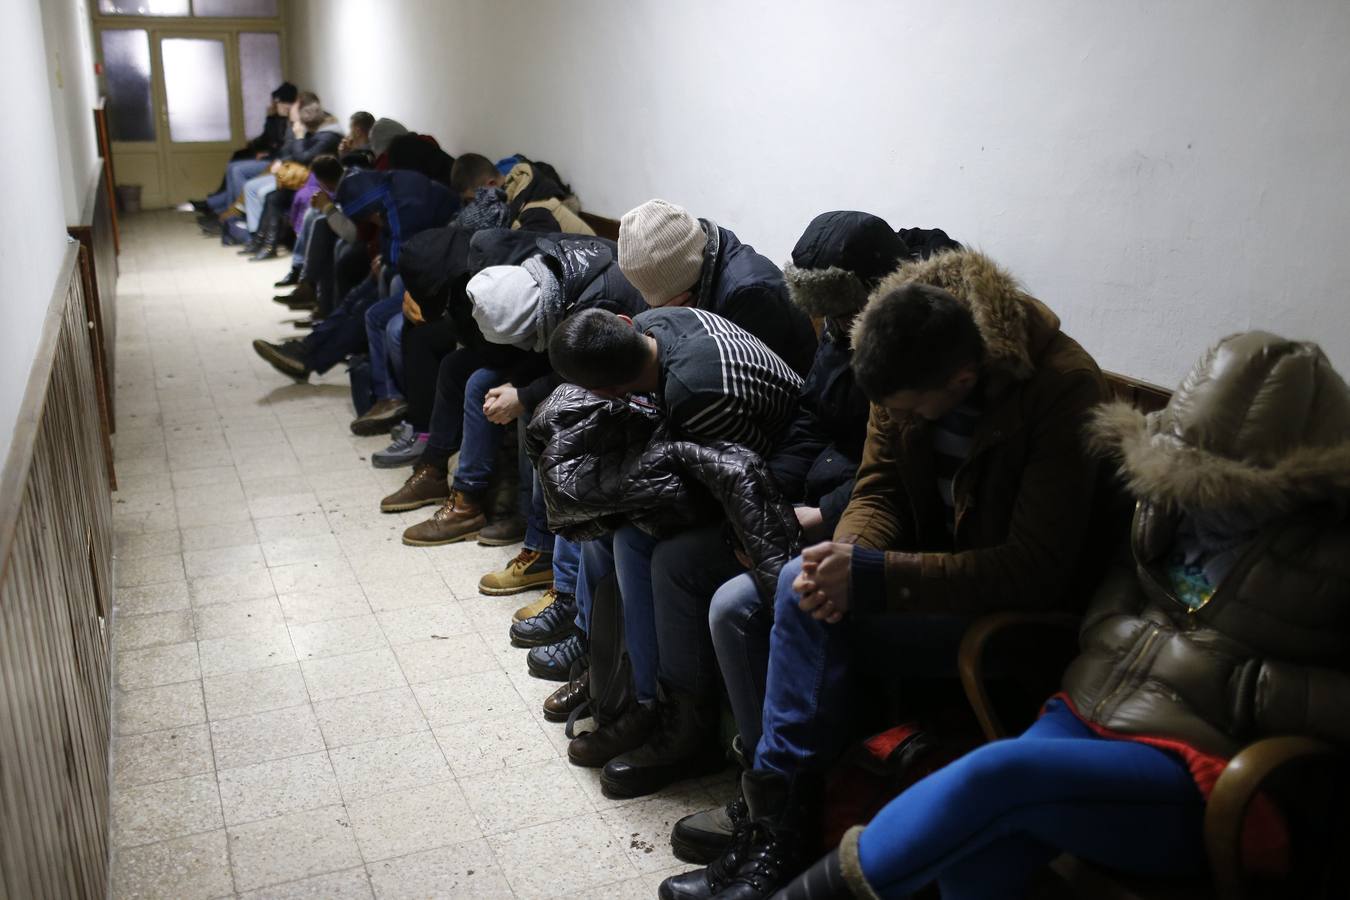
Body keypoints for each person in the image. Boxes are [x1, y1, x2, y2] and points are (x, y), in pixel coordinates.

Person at [773, 330, 1350, 900]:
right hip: (1087, 713)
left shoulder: (1331, 557)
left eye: (1221, 485)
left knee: (996, 777)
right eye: (1185, 474)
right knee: (981, 846)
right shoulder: (1168, 509)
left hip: (1201, 766)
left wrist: (1249, 687)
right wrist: (1115, 635)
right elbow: (1114, 596)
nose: (1195, 498)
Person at [661, 249, 1108, 900]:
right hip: (927, 581)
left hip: (1012, 613)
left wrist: (869, 575)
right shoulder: (894, 350)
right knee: (748, 604)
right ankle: (778, 816)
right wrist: (840, 561)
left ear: (962, 378)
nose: (906, 420)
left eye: (914, 411)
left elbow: (1033, 569)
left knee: (795, 604)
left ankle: (784, 835)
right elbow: (880, 490)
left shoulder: (1062, 388)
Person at [542, 305, 804, 798]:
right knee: (615, 533)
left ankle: (680, 726)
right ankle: (626, 691)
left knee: (665, 557)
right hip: (747, 468)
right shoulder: (661, 323)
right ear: (624, 322)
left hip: (784, 485)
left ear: (606, 392)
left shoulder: (696, 393)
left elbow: (737, 477)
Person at [251, 168, 455, 382]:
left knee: (366, 309)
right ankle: (305, 349)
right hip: (420, 263)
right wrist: (384, 259)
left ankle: (308, 358)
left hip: (433, 274)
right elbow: (395, 243)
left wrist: (386, 261)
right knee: (353, 298)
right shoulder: (389, 192)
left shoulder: (403, 202)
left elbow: (403, 253)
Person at [617, 199, 818, 376]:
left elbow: (721, 381)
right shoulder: (704, 252)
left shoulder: (749, 295)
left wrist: (678, 325)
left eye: (661, 306)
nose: (657, 310)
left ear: (685, 287)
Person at [194, 81, 297, 220]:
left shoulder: (292, 122)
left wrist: (269, 154)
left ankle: (232, 212)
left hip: (276, 162)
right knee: (234, 163)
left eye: (278, 102)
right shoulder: (276, 119)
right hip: (272, 157)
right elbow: (269, 140)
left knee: (237, 170)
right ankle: (223, 209)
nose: (275, 105)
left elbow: (285, 149)